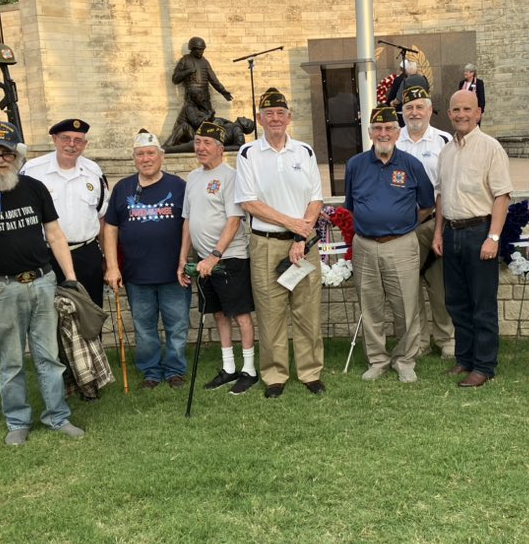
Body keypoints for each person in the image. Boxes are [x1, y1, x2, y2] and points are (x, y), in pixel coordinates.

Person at [0, 121, 84, 446]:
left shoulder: (34, 188)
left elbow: (54, 234)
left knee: (49, 357)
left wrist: (71, 278)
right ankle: (17, 421)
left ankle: (57, 416)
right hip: (1, 288)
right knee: (11, 360)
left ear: (17, 155)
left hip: (42, 282)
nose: (1, 158)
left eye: (7, 152)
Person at [235, 87, 325, 398]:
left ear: (289, 117)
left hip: (304, 244)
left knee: (307, 310)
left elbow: (316, 199)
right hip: (267, 243)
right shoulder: (248, 154)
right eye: (268, 114)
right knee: (271, 313)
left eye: (280, 113)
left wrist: (300, 235)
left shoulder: (305, 152)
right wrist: (290, 224)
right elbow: (248, 202)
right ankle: (275, 376)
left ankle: (310, 371)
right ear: (260, 119)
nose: (275, 118)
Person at [345, 106, 435, 383]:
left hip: (401, 244)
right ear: (370, 133)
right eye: (378, 129)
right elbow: (351, 205)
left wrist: (401, 222)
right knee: (370, 306)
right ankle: (377, 359)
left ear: (398, 133)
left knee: (406, 306)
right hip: (365, 245)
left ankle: (405, 360)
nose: (383, 133)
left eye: (389, 129)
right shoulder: (355, 165)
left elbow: (427, 205)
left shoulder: (411, 165)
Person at [432, 89, 512, 388]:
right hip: (452, 233)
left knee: (482, 304)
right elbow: (440, 196)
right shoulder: (447, 151)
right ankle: (464, 358)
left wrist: (493, 237)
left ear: (478, 113)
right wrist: (438, 232)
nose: (461, 115)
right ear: (449, 113)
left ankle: (484, 365)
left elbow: (502, 196)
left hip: (480, 231)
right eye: (456, 110)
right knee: (457, 302)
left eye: (467, 109)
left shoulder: (491, 148)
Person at [104, 130, 191, 389]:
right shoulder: (123, 188)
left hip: (173, 273)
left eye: (150, 153)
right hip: (136, 274)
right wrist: (112, 266)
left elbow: (189, 224)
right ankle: (151, 372)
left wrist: (186, 261)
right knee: (144, 328)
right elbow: (110, 228)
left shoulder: (178, 186)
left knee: (177, 325)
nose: (146, 158)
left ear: (161, 156)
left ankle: (175, 370)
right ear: (134, 158)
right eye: (140, 154)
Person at [178, 120, 258, 395]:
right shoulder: (193, 177)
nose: (200, 147)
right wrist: (183, 260)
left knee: (239, 313)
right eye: (198, 142)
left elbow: (234, 220)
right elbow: (187, 221)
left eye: (207, 143)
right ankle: (228, 368)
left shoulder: (231, 176)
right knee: (219, 314)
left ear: (221, 148)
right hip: (203, 261)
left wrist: (215, 256)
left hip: (230, 258)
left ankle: (249, 370)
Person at [20, 118, 108, 307]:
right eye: (66, 138)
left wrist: (107, 260)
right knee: (45, 317)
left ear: (85, 144)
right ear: (54, 139)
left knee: (89, 316)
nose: (71, 145)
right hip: (44, 256)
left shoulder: (94, 172)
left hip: (86, 254)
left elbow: (101, 218)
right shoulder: (33, 171)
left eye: (78, 140)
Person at [396, 85, 455, 358]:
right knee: (409, 289)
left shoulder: (444, 141)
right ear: (402, 112)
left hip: (433, 223)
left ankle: (446, 339)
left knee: (440, 285)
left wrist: (441, 228)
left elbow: (447, 187)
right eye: (409, 107)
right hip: (401, 229)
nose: (414, 112)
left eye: (420, 106)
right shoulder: (393, 141)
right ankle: (418, 342)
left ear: (430, 110)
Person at [166, 36, 233, 148]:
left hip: (204, 97)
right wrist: (188, 71)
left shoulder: (205, 62)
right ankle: (177, 141)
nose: (201, 52)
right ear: (192, 49)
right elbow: (175, 78)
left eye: (202, 49)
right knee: (183, 119)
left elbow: (213, 79)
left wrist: (223, 91)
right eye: (198, 49)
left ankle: (209, 142)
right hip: (191, 97)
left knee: (209, 118)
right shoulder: (185, 60)